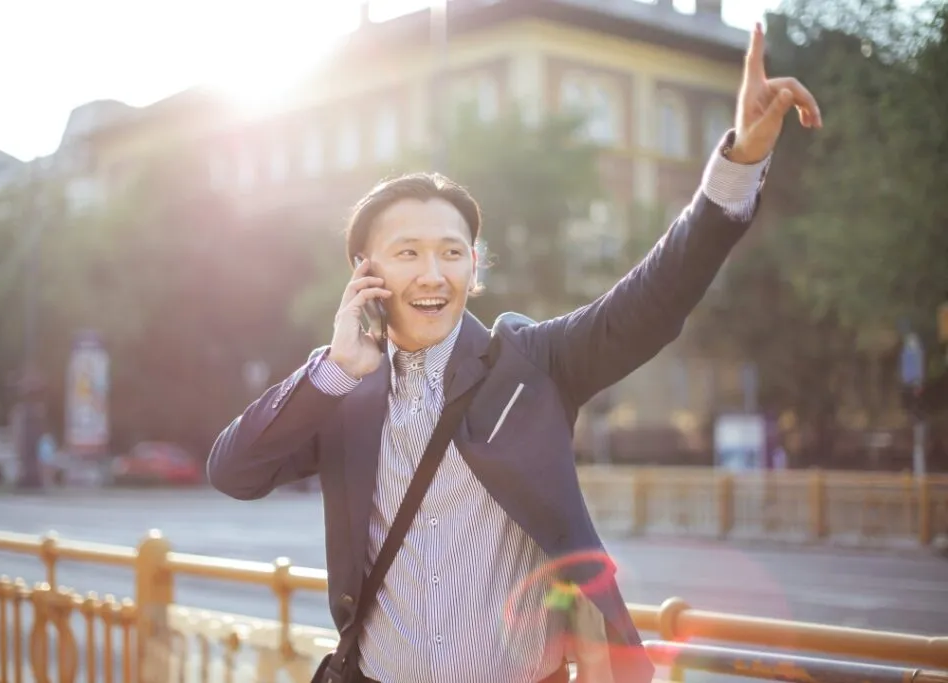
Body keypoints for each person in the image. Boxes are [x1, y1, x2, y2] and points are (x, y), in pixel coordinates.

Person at [207, 22, 821, 683]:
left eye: (450, 252)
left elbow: (652, 301)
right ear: (366, 269)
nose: (433, 274)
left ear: (476, 266)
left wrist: (736, 168)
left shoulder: (532, 363)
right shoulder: (341, 392)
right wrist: (332, 367)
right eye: (408, 252)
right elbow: (235, 471)